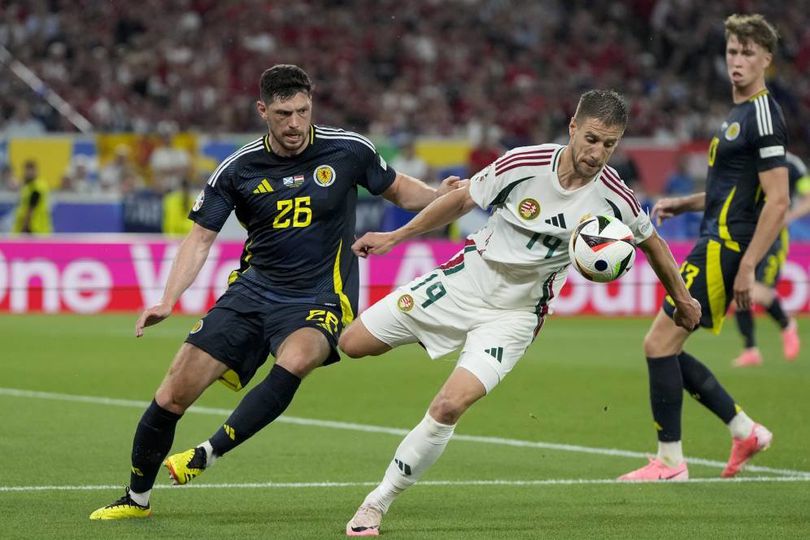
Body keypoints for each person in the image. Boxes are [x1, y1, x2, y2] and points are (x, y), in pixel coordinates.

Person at [89, 64, 460, 520]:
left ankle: (208, 453)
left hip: (321, 295)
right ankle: (136, 498)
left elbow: (402, 191)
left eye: (303, 111)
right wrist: (169, 298)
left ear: (312, 105)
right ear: (263, 110)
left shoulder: (348, 150)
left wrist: (438, 195)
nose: (295, 124)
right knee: (172, 395)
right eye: (284, 114)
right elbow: (201, 237)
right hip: (253, 292)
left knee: (299, 357)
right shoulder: (238, 168)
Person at [340, 89, 701, 536]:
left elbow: (654, 245)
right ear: (572, 127)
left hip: (515, 315)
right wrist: (396, 237)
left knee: (450, 405)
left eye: (609, 145)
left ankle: (377, 502)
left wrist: (683, 299)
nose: (597, 153)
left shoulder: (614, 198)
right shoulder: (523, 164)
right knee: (351, 344)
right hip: (464, 281)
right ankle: (430, 333)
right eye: (591, 139)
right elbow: (462, 200)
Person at [619, 14, 786, 482]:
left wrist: (749, 265)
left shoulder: (764, 114)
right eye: (733, 51)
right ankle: (744, 429)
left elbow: (778, 199)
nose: (737, 60)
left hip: (726, 248)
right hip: (712, 241)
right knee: (663, 346)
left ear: (766, 60)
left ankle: (671, 461)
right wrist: (686, 202)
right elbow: (734, 188)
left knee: (658, 343)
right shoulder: (739, 115)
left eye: (748, 52)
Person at [732, 152, 809, 366]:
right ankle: (750, 350)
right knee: (741, 293)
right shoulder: (750, 161)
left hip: (774, 237)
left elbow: (808, 197)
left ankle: (787, 324)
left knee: (758, 292)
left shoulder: (793, 165)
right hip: (748, 235)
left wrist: (788, 216)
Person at [12, 159, 52, 234]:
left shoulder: (37, 187)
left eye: (31, 170)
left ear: (36, 171)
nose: (29, 173)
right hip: (32, 227)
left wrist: (24, 227)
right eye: (27, 170)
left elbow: (31, 208)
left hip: (35, 227)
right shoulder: (27, 187)